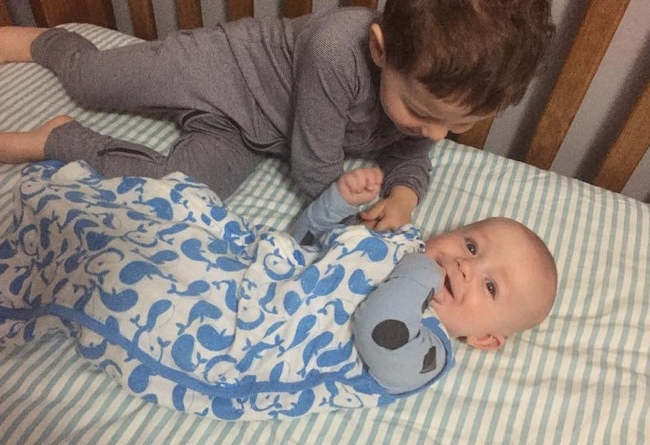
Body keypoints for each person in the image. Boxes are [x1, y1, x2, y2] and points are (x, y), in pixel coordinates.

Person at [0, 0, 555, 231]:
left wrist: (406, 195)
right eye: (420, 112)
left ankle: (57, 139)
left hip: (250, 135)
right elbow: (315, 162)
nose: (433, 133)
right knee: (94, 81)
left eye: (455, 126)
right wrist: (341, 217)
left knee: (175, 197)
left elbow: (409, 154)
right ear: (382, 50)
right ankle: (51, 44)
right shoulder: (338, 48)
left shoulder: (424, 101)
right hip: (218, 71)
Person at [0, 163, 557, 420]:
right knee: (183, 209)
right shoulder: (398, 242)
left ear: (485, 338)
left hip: (251, 338)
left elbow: (377, 327)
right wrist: (336, 206)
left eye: (489, 284)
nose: (461, 265)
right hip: (254, 275)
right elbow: (301, 251)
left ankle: (66, 266)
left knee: (130, 281)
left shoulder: (430, 349)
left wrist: (416, 271)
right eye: (472, 244)